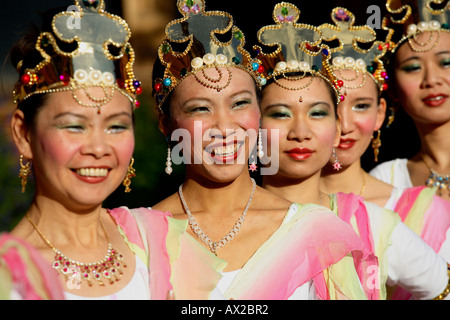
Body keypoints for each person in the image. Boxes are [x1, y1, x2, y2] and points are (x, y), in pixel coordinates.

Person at [150, 0, 372, 300]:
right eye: (200, 108)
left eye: (240, 103)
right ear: (166, 125)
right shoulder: (140, 236)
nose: (225, 128)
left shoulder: (312, 231)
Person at [256, 3, 450, 300]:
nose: (345, 123)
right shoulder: (248, 210)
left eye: (360, 105)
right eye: (329, 109)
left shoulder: (381, 217)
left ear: (381, 112)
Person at [0, 0, 179, 300]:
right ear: (23, 133)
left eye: (116, 126)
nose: (98, 148)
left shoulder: (157, 239)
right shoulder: (8, 276)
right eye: (74, 126)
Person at [369, 0, 450, 204]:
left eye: (446, 63)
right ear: (394, 88)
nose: (431, 80)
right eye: (413, 68)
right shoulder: (385, 179)